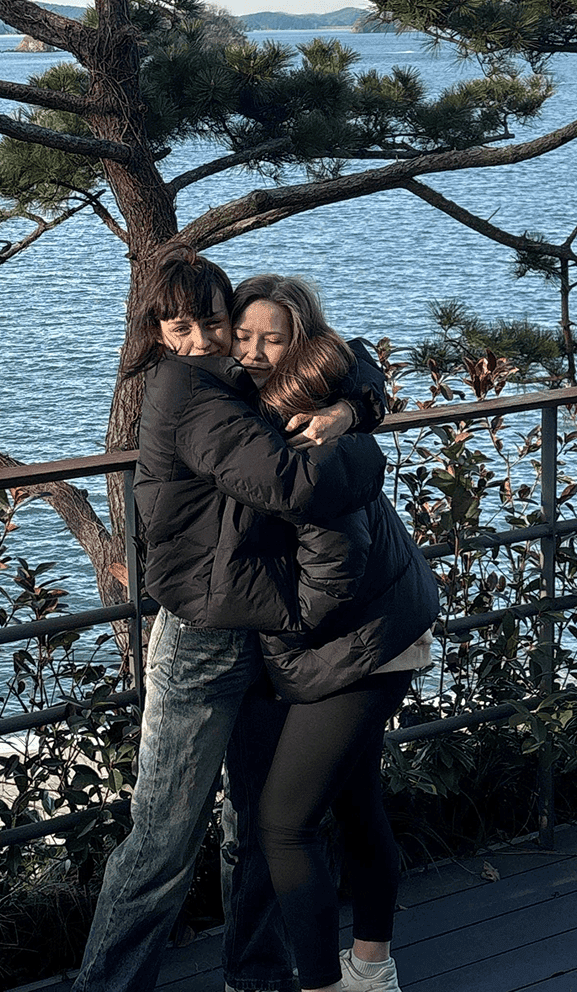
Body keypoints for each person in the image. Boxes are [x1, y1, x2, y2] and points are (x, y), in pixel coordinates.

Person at [73, 245, 388, 992]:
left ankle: (257, 979)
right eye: (180, 327)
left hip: (265, 631)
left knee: (255, 829)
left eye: (215, 323)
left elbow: (354, 361)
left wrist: (347, 409)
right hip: (202, 637)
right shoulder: (187, 387)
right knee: (163, 841)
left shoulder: (239, 380)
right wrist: (361, 450)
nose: (204, 341)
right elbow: (286, 483)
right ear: (156, 332)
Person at [227, 275, 439, 992]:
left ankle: (322, 983)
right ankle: (372, 971)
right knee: (354, 802)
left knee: (284, 824)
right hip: (375, 621)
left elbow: (336, 565)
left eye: (272, 338)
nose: (253, 351)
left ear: (300, 343)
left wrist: (280, 629)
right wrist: (352, 406)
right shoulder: (312, 394)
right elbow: (363, 370)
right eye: (243, 335)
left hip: (364, 637)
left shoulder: (306, 422)